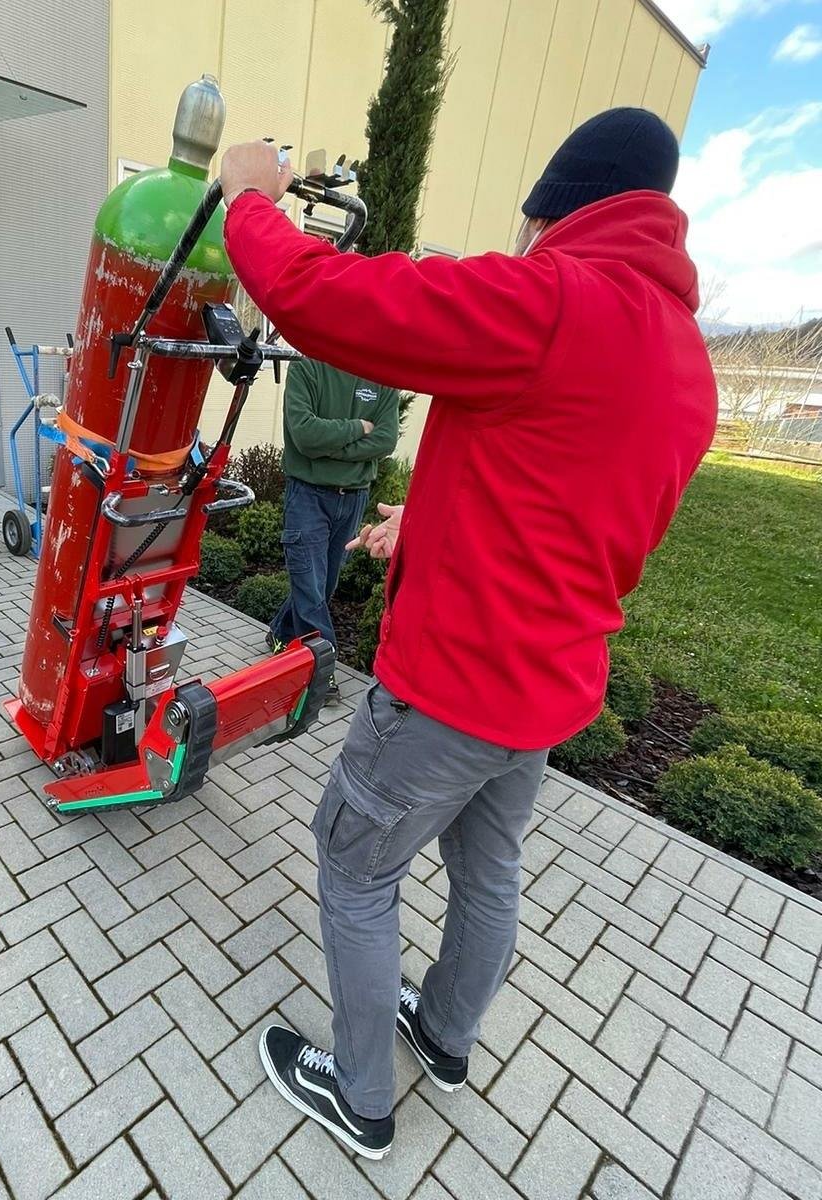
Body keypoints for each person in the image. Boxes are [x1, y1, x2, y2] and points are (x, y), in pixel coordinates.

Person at [219, 109, 717, 1159]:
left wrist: (250, 198)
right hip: (544, 693)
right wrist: (424, 518)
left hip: (449, 691)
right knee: (488, 876)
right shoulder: (684, 362)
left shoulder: (553, 298)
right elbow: (569, 497)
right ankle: (445, 1038)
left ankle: (359, 1097)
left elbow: (327, 299)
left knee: (355, 867)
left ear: (553, 209)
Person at [267, 356, 399, 705]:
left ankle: (281, 633)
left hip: (354, 497)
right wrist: (358, 426)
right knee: (311, 584)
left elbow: (386, 439)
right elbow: (306, 435)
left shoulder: (380, 372)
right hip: (308, 495)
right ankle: (320, 674)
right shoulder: (307, 366)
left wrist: (331, 444)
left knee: (323, 582)